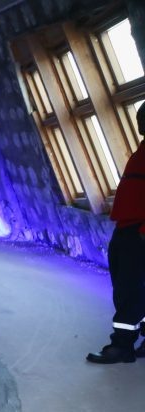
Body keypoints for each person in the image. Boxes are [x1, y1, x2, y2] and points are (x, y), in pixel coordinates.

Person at [87, 105, 145, 364]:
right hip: (127, 230)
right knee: (130, 288)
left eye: (142, 119)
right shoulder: (142, 151)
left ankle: (122, 346)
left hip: (137, 233)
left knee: (128, 291)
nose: (139, 124)